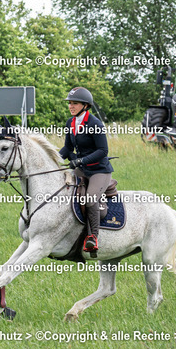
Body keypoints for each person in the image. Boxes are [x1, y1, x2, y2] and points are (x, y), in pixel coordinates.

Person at [59, 87, 113, 252]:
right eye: (70, 103)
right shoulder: (71, 122)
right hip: (81, 169)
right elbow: (68, 148)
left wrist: (81, 160)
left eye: (75, 103)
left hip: (99, 171)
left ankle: (92, 237)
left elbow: (103, 151)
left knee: (89, 199)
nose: (71, 106)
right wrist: (54, 159)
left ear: (85, 106)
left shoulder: (95, 124)